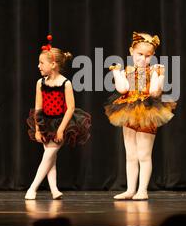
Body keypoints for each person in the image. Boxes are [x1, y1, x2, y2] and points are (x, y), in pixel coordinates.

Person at [105, 32, 176, 200]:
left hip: (148, 110)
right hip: (128, 111)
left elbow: (155, 92)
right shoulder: (127, 70)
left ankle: (142, 190)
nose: (143, 59)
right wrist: (116, 72)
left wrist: (160, 76)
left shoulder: (154, 70)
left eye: (148, 56)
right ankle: (130, 189)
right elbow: (122, 89)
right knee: (130, 154)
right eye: (140, 54)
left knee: (144, 154)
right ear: (131, 52)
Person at [25, 34, 91, 200]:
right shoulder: (40, 83)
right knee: (50, 157)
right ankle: (54, 190)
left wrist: (61, 129)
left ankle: (32, 188)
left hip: (62, 123)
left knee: (48, 155)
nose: (38, 66)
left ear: (53, 64)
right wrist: (38, 129)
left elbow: (71, 108)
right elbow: (38, 108)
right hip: (45, 122)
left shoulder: (65, 83)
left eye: (42, 63)